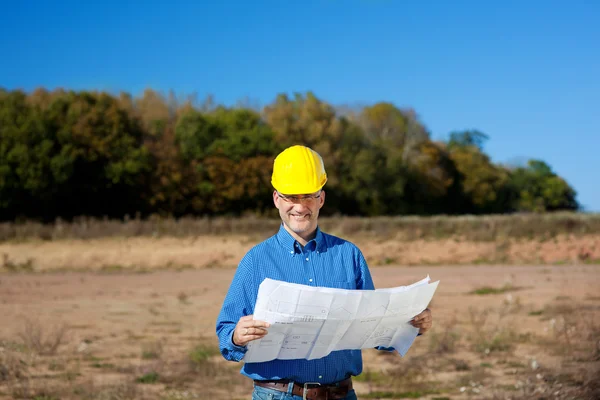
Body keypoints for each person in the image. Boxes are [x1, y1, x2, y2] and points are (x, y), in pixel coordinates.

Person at [215, 145, 433, 400]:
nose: (299, 206)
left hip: (341, 394)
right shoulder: (255, 261)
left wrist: (411, 323)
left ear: (321, 198)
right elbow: (226, 336)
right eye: (290, 197)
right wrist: (237, 337)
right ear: (276, 199)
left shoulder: (348, 255)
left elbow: (375, 328)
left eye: (308, 196)